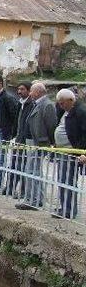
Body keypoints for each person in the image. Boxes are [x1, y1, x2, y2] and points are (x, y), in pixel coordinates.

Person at [16, 82, 57, 210]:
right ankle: (33, 198)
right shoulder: (37, 103)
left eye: (32, 91)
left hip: (38, 142)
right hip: (31, 141)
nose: (30, 93)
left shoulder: (47, 105)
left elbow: (51, 125)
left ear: (38, 92)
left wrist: (51, 142)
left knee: (33, 171)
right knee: (31, 171)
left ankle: (34, 200)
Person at [52, 88, 86, 218]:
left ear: (71, 100)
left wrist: (83, 152)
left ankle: (69, 210)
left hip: (72, 152)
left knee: (68, 181)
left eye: (62, 103)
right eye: (59, 103)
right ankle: (64, 207)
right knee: (63, 180)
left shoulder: (80, 112)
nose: (61, 106)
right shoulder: (66, 110)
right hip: (63, 151)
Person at [4, 81, 35, 198]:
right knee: (13, 164)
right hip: (18, 139)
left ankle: (22, 192)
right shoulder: (20, 104)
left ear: (28, 91)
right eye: (18, 89)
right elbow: (16, 121)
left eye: (22, 89)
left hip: (26, 141)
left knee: (23, 167)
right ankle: (10, 188)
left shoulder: (31, 105)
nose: (19, 92)